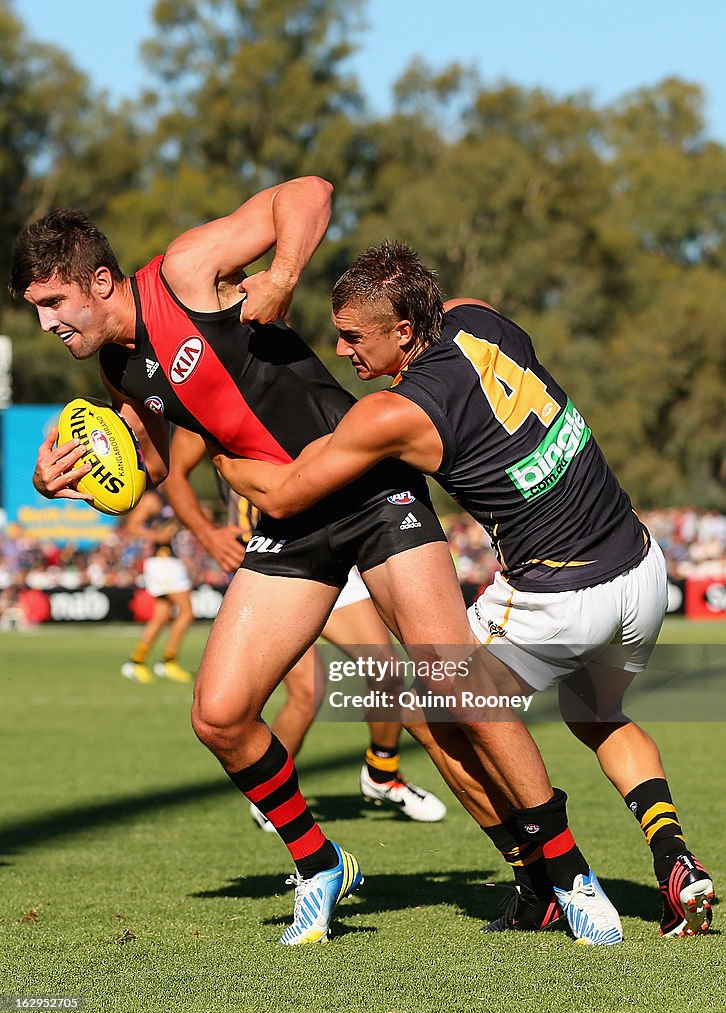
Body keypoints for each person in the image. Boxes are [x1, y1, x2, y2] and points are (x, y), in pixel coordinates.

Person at [14, 179, 619, 947]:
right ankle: (320, 860)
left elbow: (307, 192)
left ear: (100, 282)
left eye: (54, 302)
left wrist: (284, 270)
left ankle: (565, 873)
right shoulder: (117, 369)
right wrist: (75, 480)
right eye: (37, 309)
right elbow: (153, 461)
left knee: (451, 684)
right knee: (219, 715)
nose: (46, 322)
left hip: (367, 489)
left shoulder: (185, 271)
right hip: (289, 522)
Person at [209, 239, 715, 940]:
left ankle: (544, 879)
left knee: (434, 707)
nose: (344, 350)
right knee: (596, 714)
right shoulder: (479, 316)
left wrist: (215, 452)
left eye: (356, 337)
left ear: (405, 331)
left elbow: (289, 493)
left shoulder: (393, 414)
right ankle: (675, 857)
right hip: (640, 568)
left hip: (560, 592)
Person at [164, 425, 447, 825]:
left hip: (332, 545)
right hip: (275, 560)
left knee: (387, 672)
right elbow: (172, 473)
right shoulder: (205, 402)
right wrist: (208, 535)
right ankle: (273, 798)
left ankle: (382, 774)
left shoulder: (300, 380)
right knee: (308, 690)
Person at [120, 486, 195, 684]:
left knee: (162, 616)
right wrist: (157, 537)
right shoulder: (153, 499)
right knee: (187, 612)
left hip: (168, 561)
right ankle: (168, 661)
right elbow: (132, 525)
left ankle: (136, 661)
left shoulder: (173, 496)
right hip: (163, 562)